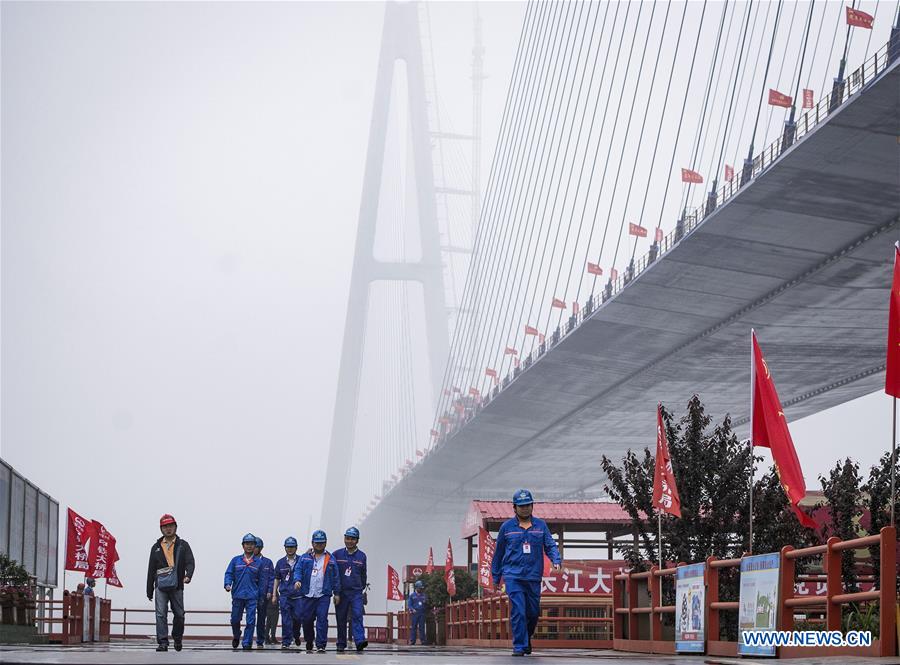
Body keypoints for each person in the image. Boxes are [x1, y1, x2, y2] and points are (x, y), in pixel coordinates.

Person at [491, 489, 561, 657]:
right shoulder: (506, 528)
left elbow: (550, 545)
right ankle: (519, 646)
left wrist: (556, 559)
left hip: (533, 576)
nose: (525, 509)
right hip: (513, 576)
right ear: (514, 507)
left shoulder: (540, 525)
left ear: (532, 506)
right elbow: (498, 553)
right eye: (521, 506)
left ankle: (526, 638)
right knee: (518, 610)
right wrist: (496, 576)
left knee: (533, 612)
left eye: (528, 505)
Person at [146, 513, 195, 653]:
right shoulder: (155, 547)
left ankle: (177, 637)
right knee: (160, 614)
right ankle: (162, 642)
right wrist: (149, 589)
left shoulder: (183, 545)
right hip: (160, 585)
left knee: (179, 614)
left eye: (171, 526)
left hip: (177, 584)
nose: (168, 529)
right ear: (161, 529)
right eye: (165, 527)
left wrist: (188, 576)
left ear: (176, 527)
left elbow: (190, 562)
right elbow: (151, 569)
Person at [293, 530, 341, 653]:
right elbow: (298, 570)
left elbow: (336, 577)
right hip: (307, 594)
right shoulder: (305, 557)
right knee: (306, 619)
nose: (319, 545)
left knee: (322, 619)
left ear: (325, 543)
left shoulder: (330, 559)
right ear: (312, 543)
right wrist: (297, 580)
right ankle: (309, 640)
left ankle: (320, 644)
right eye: (317, 542)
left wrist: (337, 593)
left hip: (323, 595)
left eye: (321, 543)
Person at [224, 533, 265, 651]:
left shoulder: (259, 563)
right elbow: (229, 573)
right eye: (247, 544)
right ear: (243, 545)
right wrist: (227, 584)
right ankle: (237, 635)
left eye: (252, 544)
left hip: (252, 596)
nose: (249, 546)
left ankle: (247, 643)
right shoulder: (236, 560)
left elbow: (262, 581)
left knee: (251, 620)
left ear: (255, 546)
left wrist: (261, 596)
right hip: (238, 595)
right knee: (235, 619)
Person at [332, 526, 368, 653]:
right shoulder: (336, 554)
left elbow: (364, 575)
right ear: (344, 539)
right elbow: (328, 565)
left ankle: (359, 641)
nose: (350, 541)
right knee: (341, 618)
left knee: (357, 615)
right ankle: (341, 643)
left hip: (356, 592)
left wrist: (360, 587)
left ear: (357, 540)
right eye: (347, 538)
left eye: (353, 539)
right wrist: (335, 592)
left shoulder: (362, 556)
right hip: (341, 592)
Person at [273, 537, 303, 650]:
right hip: (285, 595)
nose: (290, 549)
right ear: (285, 548)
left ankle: (296, 635)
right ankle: (286, 641)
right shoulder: (280, 563)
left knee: (298, 617)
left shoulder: (302, 560)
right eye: (288, 547)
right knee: (286, 619)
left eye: (292, 547)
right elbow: (276, 578)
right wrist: (274, 594)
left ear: (296, 547)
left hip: (298, 595)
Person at [253, 537, 275, 648]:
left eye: (256, 546)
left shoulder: (268, 562)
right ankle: (247, 640)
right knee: (251, 619)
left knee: (261, 619)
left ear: (261, 548)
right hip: (251, 595)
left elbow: (272, 578)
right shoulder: (248, 561)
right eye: (253, 546)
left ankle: (260, 640)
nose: (254, 548)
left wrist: (270, 591)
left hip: (263, 595)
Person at [407, 580, 427, 645]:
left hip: (422, 613)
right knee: (414, 627)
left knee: (422, 627)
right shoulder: (412, 596)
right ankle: (413, 640)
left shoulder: (424, 595)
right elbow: (409, 605)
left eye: (421, 588)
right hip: (415, 613)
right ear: (416, 588)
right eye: (420, 588)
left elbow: (427, 604)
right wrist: (412, 609)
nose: (421, 589)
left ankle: (423, 640)